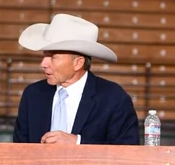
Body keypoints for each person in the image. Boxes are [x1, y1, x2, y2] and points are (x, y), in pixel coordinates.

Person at [12, 14, 139, 145]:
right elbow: (19, 149)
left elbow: (128, 150)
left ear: (78, 63)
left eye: (53, 57)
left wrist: (78, 143)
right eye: (44, 55)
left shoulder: (113, 98)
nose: (43, 63)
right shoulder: (33, 94)